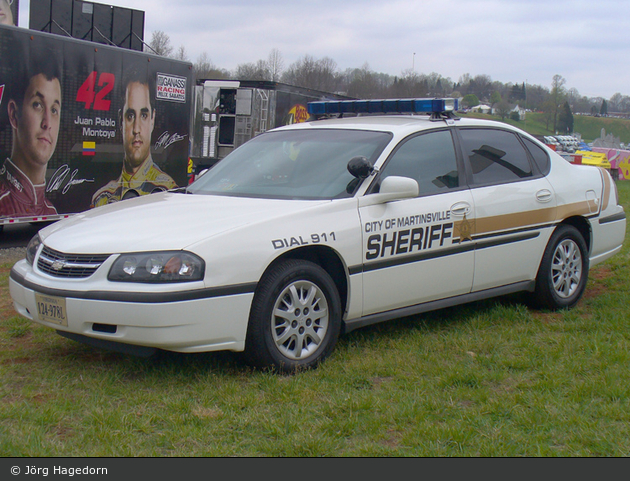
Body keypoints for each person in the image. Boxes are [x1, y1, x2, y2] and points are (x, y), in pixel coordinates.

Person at [91, 66, 177, 207]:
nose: (137, 129)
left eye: (143, 115)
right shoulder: (102, 198)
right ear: (121, 120)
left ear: (152, 119)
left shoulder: (167, 191)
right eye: (130, 116)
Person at [0, 56, 61, 217]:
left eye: (54, 110)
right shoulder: (2, 204)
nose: (47, 123)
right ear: (14, 114)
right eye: (38, 105)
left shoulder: (51, 212)